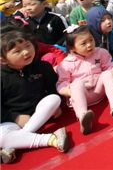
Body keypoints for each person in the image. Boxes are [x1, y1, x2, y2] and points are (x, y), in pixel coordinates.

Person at [0, 26, 70, 164]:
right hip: (11, 119)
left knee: (53, 99)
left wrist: (58, 105)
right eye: (17, 51)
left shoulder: (42, 66)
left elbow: (53, 88)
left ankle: (14, 143)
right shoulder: (1, 77)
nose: (26, 52)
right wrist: (16, 117)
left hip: (40, 113)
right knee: (0, 137)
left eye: (28, 46)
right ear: (3, 59)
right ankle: (50, 139)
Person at [56, 25, 113, 135]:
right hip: (82, 96)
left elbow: (110, 67)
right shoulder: (66, 64)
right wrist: (69, 90)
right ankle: (83, 116)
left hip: (100, 90)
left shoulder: (101, 53)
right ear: (72, 48)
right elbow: (61, 84)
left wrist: (111, 76)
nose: (89, 45)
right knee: (76, 84)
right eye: (83, 43)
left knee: (107, 74)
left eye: (91, 40)